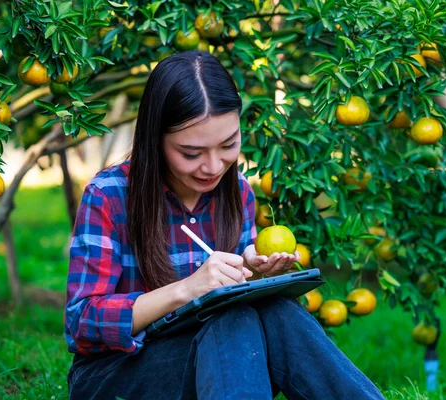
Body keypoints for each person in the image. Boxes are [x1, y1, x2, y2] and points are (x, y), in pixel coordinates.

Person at [64, 51, 384, 400]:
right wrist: (186, 289)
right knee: (233, 321)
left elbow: (234, 305)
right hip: (118, 373)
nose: (214, 166)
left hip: (215, 361)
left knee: (272, 311)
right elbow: (81, 323)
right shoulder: (109, 195)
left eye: (229, 144)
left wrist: (250, 268)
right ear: (155, 139)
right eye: (191, 153)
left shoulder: (238, 192)